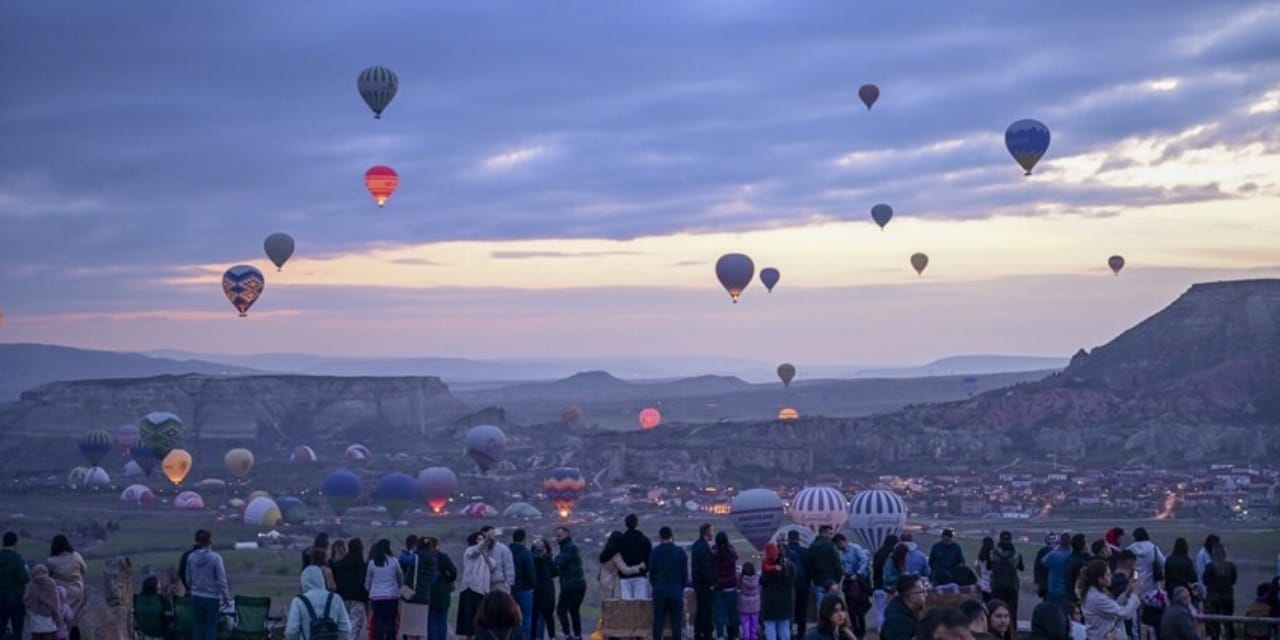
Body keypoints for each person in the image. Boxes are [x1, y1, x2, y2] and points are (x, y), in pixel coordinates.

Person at [285, 562, 352, 640]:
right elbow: (346, 628)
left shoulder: (298, 601)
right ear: (321, 579)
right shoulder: (336, 599)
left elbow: (292, 631)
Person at [186, 530, 230, 640]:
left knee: (198, 626)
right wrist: (225, 597)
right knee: (210, 628)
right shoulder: (216, 558)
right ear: (210, 541)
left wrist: (193, 588)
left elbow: (188, 578)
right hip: (211, 598)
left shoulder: (191, 557)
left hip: (196, 596)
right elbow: (221, 580)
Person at [1081, 560, 1140, 640]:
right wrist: (1134, 595)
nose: (1111, 577)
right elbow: (1124, 614)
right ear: (1100, 578)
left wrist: (1126, 593)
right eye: (1108, 575)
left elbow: (1113, 607)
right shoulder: (1097, 598)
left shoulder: (1095, 593)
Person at [650, 526, 689, 640]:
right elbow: (684, 574)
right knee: (676, 621)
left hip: (659, 590)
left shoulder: (654, 553)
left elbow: (651, 573)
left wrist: (656, 585)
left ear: (660, 536)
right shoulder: (680, 552)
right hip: (676, 590)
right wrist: (681, 586)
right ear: (671, 535)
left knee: (658, 621)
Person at [46, 535, 86, 640]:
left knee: (61, 619)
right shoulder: (76, 556)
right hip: (77, 591)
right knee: (75, 618)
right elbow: (84, 569)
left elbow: (48, 577)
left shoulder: (51, 561)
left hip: (60, 594)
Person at [364, 539, 403, 640]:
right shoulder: (394, 561)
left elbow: (368, 581)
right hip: (392, 596)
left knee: (378, 621)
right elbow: (400, 577)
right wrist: (399, 587)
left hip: (376, 597)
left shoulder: (372, 563)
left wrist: (369, 590)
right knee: (390, 621)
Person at [402, 537, 439, 640]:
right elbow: (433, 579)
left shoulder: (416, 557)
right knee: (420, 628)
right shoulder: (433, 559)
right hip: (425, 596)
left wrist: (406, 552)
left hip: (412, 595)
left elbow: (402, 560)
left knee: (410, 629)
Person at [331, 538, 368, 640]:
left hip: (343, 597)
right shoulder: (360, 563)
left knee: (345, 623)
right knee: (355, 624)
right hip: (357, 598)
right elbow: (362, 581)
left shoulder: (342, 562)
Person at [458, 532, 492, 640]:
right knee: (470, 619)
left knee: (482, 619)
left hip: (482, 590)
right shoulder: (470, 550)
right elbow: (476, 552)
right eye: (479, 539)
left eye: (482, 538)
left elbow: (493, 565)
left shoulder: (485, 554)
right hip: (471, 589)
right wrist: (485, 541)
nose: (481, 540)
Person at [554, 527, 586, 640]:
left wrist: (553, 560)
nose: (557, 538)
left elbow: (560, 561)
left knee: (561, 609)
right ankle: (578, 635)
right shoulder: (570, 547)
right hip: (579, 583)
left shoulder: (568, 548)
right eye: (557, 536)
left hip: (570, 584)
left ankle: (567, 635)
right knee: (574, 609)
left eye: (560, 535)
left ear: (567, 534)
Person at [761, 541, 795, 640]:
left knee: (770, 627)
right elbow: (792, 582)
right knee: (784, 627)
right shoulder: (790, 566)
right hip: (785, 601)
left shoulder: (768, 568)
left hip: (770, 602)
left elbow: (762, 581)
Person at [806, 526, 842, 620]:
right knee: (834, 605)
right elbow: (837, 564)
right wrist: (837, 579)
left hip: (818, 581)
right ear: (824, 533)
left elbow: (809, 565)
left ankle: (822, 625)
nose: (831, 536)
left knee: (820, 605)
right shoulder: (830, 547)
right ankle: (834, 626)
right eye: (830, 533)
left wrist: (813, 578)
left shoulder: (812, 547)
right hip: (831, 581)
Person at [1202, 545, 1237, 640]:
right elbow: (1233, 581)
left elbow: (1205, 581)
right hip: (1228, 598)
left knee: (1214, 624)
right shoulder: (1231, 566)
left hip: (1213, 598)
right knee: (1229, 622)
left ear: (1213, 554)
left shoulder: (1210, 567)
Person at [988, 532, 1024, 625]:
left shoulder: (993, 553)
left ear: (1000, 539)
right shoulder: (1016, 553)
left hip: (997, 586)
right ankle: (1012, 633)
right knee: (1012, 613)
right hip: (1012, 586)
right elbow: (1022, 568)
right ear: (1011, 540)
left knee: (995, 611)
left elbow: (988, 567)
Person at [598, 531, 644, 601]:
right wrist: (638, 567)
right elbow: (626, 570)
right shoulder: (616, 556)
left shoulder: (605, 553)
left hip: (603, 581)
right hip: (612, 584)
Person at [0, 531, 29, 640]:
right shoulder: (17, 559)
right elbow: (24, 578)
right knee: (17, 629)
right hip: (15, 598)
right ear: (15, 543)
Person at [426, 538, 456, 640]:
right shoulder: (444, 557)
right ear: (436, 545)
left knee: (431, 620)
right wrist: (447, 579)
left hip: (429, 592)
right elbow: (454, 572)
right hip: (443, 592)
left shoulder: (425, 557)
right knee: (442, 621)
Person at [509, 529, 537, 640]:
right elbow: (531, 571)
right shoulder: (525, 552)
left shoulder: (507, 551)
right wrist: (534, 584)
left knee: (511, 615)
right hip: (525, 588)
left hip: (510, 587)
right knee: (526, 616)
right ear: (524, 539)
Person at [715, 531, 742, 640]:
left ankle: (720, 635)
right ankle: (735, 635)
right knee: (733, 613)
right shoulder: (731, 552)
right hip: (731, 586)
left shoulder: (713, 552)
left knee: (719, 613)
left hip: (719, 586)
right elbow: (737, 556)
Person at [619, 514, 653, 601]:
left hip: (624, 577)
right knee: (640, 606)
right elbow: (649, 559)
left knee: (626, 607)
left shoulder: (621, 540)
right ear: (637, 523)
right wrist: (645, 569)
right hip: (640, 576)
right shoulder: (645, 540)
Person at [879, 575, 925, 640]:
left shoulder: (910, 614)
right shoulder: (897, 622)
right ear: (912, 596)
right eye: (922, 592)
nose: (926, 595)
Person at [692, 524, 717, 640]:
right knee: (706, 610)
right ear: (707, 532)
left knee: (702, 610)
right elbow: (705, 567)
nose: (713, 533)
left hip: (699, 584)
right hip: (704, 585)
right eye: (712, 531)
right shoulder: (703, 547)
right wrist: (711, 583)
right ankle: (706, 634)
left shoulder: (698, 545)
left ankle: (699, 633)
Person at [24, 566, 61, 640]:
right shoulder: (51, 584)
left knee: (36, 634)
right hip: (48, 615)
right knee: (48, 633)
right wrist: (56, 613)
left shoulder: (32, 585)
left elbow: (27, 600)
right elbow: (55, 600)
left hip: (35, 615)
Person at [530, 538, 557, 640]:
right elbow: (555, 572)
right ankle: (551, 636)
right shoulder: (547, 559)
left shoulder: (531, 559)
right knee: (548, 616)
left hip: (535, 589)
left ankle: (533, 637)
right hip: (547, 590)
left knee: (534, 616)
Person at [788, 531, 812, 640]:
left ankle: (787, 633)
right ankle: (801, 634)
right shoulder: (805, 552)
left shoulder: (784, 552)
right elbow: (810, 570)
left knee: (789, 611)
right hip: (803, 586)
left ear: (788, 538)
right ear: (798, 538)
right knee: (802, 611)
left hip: (788, 588)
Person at [134, 576, 174, 640]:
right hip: (160, 633)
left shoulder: (137, 600)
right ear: (156, 587)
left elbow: (136, 617)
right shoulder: (162, 600)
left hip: (143, 633)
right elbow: (169, 619)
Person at [1041, 533, 1073, 608]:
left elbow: (1043, 561)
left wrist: (1056, 548)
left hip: (1053, 589)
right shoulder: (1071, 555)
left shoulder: (1053, 555)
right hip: (1067, 590)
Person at [483, 527, 516, 595]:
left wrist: (508, 585)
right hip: (486, 586)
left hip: (500, 585)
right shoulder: (483, 551)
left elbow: (509, 568)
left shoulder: (503, 549)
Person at [1164, 539, 1198, 603]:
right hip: (1184, 589)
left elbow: (1166, 577)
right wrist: (1195, 594)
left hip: (1171, 590)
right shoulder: (1187, 561)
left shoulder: (1169, 559)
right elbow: (1193, 579)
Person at [739, 563, 761, 640]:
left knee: (745, 622)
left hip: (744, 603)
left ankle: (746, 636)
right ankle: (753, 636)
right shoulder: (757, 579)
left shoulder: (741, 579)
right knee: (754, 623)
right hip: (755, 604)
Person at [1035, 533, 1059, 601]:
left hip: (1047, 584)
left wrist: (1037, 582)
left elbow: (1037, 568)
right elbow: (1037, 568)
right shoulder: (1042, 552)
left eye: (1053, 539)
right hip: (1049, 584)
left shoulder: (1042, 552)